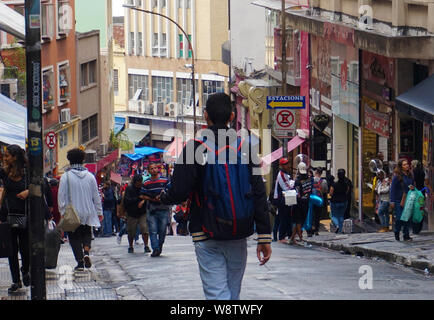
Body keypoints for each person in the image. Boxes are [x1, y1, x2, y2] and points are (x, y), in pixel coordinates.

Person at [159, 92, 272, 300]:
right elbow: (258, 192)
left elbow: (179, 191)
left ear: (205, 116)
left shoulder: (194, 148)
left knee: (216, 293)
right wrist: (264, 236)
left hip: (205, 231)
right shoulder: (246, 148)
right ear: (231, 116)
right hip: (239, 230)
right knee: (233, 291)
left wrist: (163, 197)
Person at [58, 148, 103, 272]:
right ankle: (86, 251)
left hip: (73, 212)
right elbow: (96, 196)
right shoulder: (90, 176)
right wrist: (99, 212)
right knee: (87, 232)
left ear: (69, 160)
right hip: (88, 211)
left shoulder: (65, 177)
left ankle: (80, 261)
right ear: (83, 159)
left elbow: (61, 196)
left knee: (74, 236)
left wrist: (62, 212)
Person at [0, 145, 30, 293]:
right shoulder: (4, 172)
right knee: (11, 250)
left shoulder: (28, 172)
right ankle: (16, 280)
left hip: (25, 215)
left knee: (25, 248)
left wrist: (28, 192)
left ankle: (25, 270)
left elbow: (42, 185)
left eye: (7, 156)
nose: (5, 158)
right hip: (8, 215)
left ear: (15, 157)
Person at [140, 163, 171, 257]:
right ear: (148, 171)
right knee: (152, 230)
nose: (154, 170)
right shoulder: (146, 183)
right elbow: (142, 195)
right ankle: (155, 248)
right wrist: (152, 199)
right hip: (152, 209)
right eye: (151, 169)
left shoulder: (165, 180)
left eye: (155, 168)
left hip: (163, 208)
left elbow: (171, 190)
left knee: (162, 230)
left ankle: (159, 245)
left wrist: (163, 195)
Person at [123, 174, 151, 254]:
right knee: (131, 231)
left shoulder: (143, 188)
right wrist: (138, 199)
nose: (139, 184)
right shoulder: (129, 189)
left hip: (142, 212)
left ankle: (146, 245)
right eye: (137, 183)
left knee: (144, 228)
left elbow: (147, 196)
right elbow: (127, 201)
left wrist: (143, 201)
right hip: (132, 213)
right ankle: (130, 246)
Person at [390, 159, 415, 241]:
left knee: (406, 218)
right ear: (401, 167)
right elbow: (392, 189)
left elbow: (411, 185)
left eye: (407, 164)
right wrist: (392, 201)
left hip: (408, 199)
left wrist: (412, 188)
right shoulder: (397, 176)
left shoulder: (410, 175)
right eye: (404, 164)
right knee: (400, 218)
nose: (406, 165)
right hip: (398, 200)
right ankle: (396, 231)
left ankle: (406, 235)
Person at [273, 158, 295, 243]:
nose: (288, 165)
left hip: (286, 198)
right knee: (284, 218)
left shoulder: (285, 174)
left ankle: (289, 236)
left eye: (288, 163)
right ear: (281, 166)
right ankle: (281, 237)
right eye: (285, 164)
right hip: (282, 199)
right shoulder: (281, 174)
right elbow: (287, 187)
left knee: (288, 218)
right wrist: (294, 183)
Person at [291, 162, 313, 243]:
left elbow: (297, 193)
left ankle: (299, 237)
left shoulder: (297, 181)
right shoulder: (309, 180)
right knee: (301, 220)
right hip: (306, 202)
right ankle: (293, 238)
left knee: (297, 220)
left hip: (298, 203)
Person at [329, 169, 349, 234]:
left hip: (335, 201)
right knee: (341, 216)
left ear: (338, 176)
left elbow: (331, 193)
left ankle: (337, 225)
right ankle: (340, 230)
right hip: (344, 201)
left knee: (334, 216)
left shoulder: (334, 185)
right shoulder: (346, 184)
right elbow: (347, 192)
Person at [310, 167, 328, 236]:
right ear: (321, 173)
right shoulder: (323, 181)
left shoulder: (311, 180)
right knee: (317, 215)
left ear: (316, 172)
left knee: (311, 214)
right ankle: (316, 230)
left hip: (311, 199)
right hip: (319, 199)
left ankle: (311, 228)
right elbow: (325, 190)